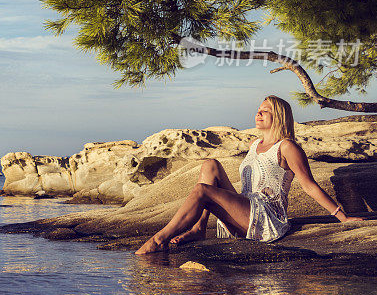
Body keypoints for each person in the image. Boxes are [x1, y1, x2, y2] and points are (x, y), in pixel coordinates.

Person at [135, 95, 362, 254]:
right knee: (210, 165)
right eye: (258, 109)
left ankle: (158, 239)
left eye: (265, 111)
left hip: (265, 218)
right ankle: (198, 229)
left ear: (279, 116)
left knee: (202, 191)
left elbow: (309, 185)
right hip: (245, 208)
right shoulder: (255, 144)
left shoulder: (287, 147)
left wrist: (341, 217)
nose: (258, 113)